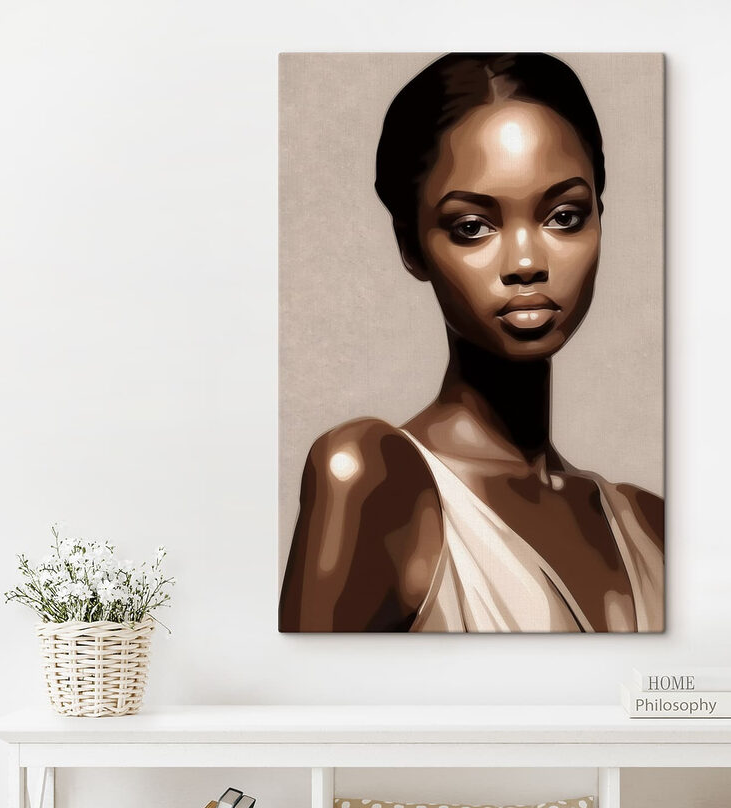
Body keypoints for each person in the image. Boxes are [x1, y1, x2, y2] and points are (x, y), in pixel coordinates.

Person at [279, 52, 664, 633]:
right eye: (472, 227)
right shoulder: (373, 480)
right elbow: (306, 690)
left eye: (564, 216)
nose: (527, 262)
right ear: (411, 246)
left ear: (600, 219)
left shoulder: (650, 523)